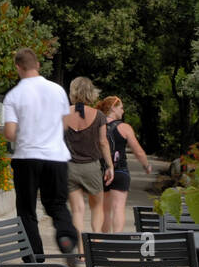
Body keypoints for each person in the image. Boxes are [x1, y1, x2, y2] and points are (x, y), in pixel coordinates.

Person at [2, 48, 78, 262]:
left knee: (26, 208)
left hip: (27, 157)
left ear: (18, 67)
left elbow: (9, 132)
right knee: (56, 203)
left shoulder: (14, 95)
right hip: (56, 156)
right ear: (37, 65)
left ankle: (33, 256)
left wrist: (27, 133)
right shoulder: (57, 90)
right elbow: (64, 124)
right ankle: (66, 237)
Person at [63, 77, 113, 238]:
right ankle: (95, 245)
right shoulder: (98, 116)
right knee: (97, 208)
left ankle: (81, 251)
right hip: (91, 167)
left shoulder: (63, 114)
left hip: (69, 167)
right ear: (91, 93)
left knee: (77, 210)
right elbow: (103, 143)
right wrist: (110, 166)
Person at [95, 95, 152, 233]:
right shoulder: (124, 127)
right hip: (120, 171)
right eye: (121, 108)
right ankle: (116, 242)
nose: (123, 111)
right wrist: (146, 165)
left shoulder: (97, 126)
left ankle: (103, 241)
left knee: (105, 210)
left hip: (101, 172)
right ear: (113, 108)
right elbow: (137, 151)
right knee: (118, 208)